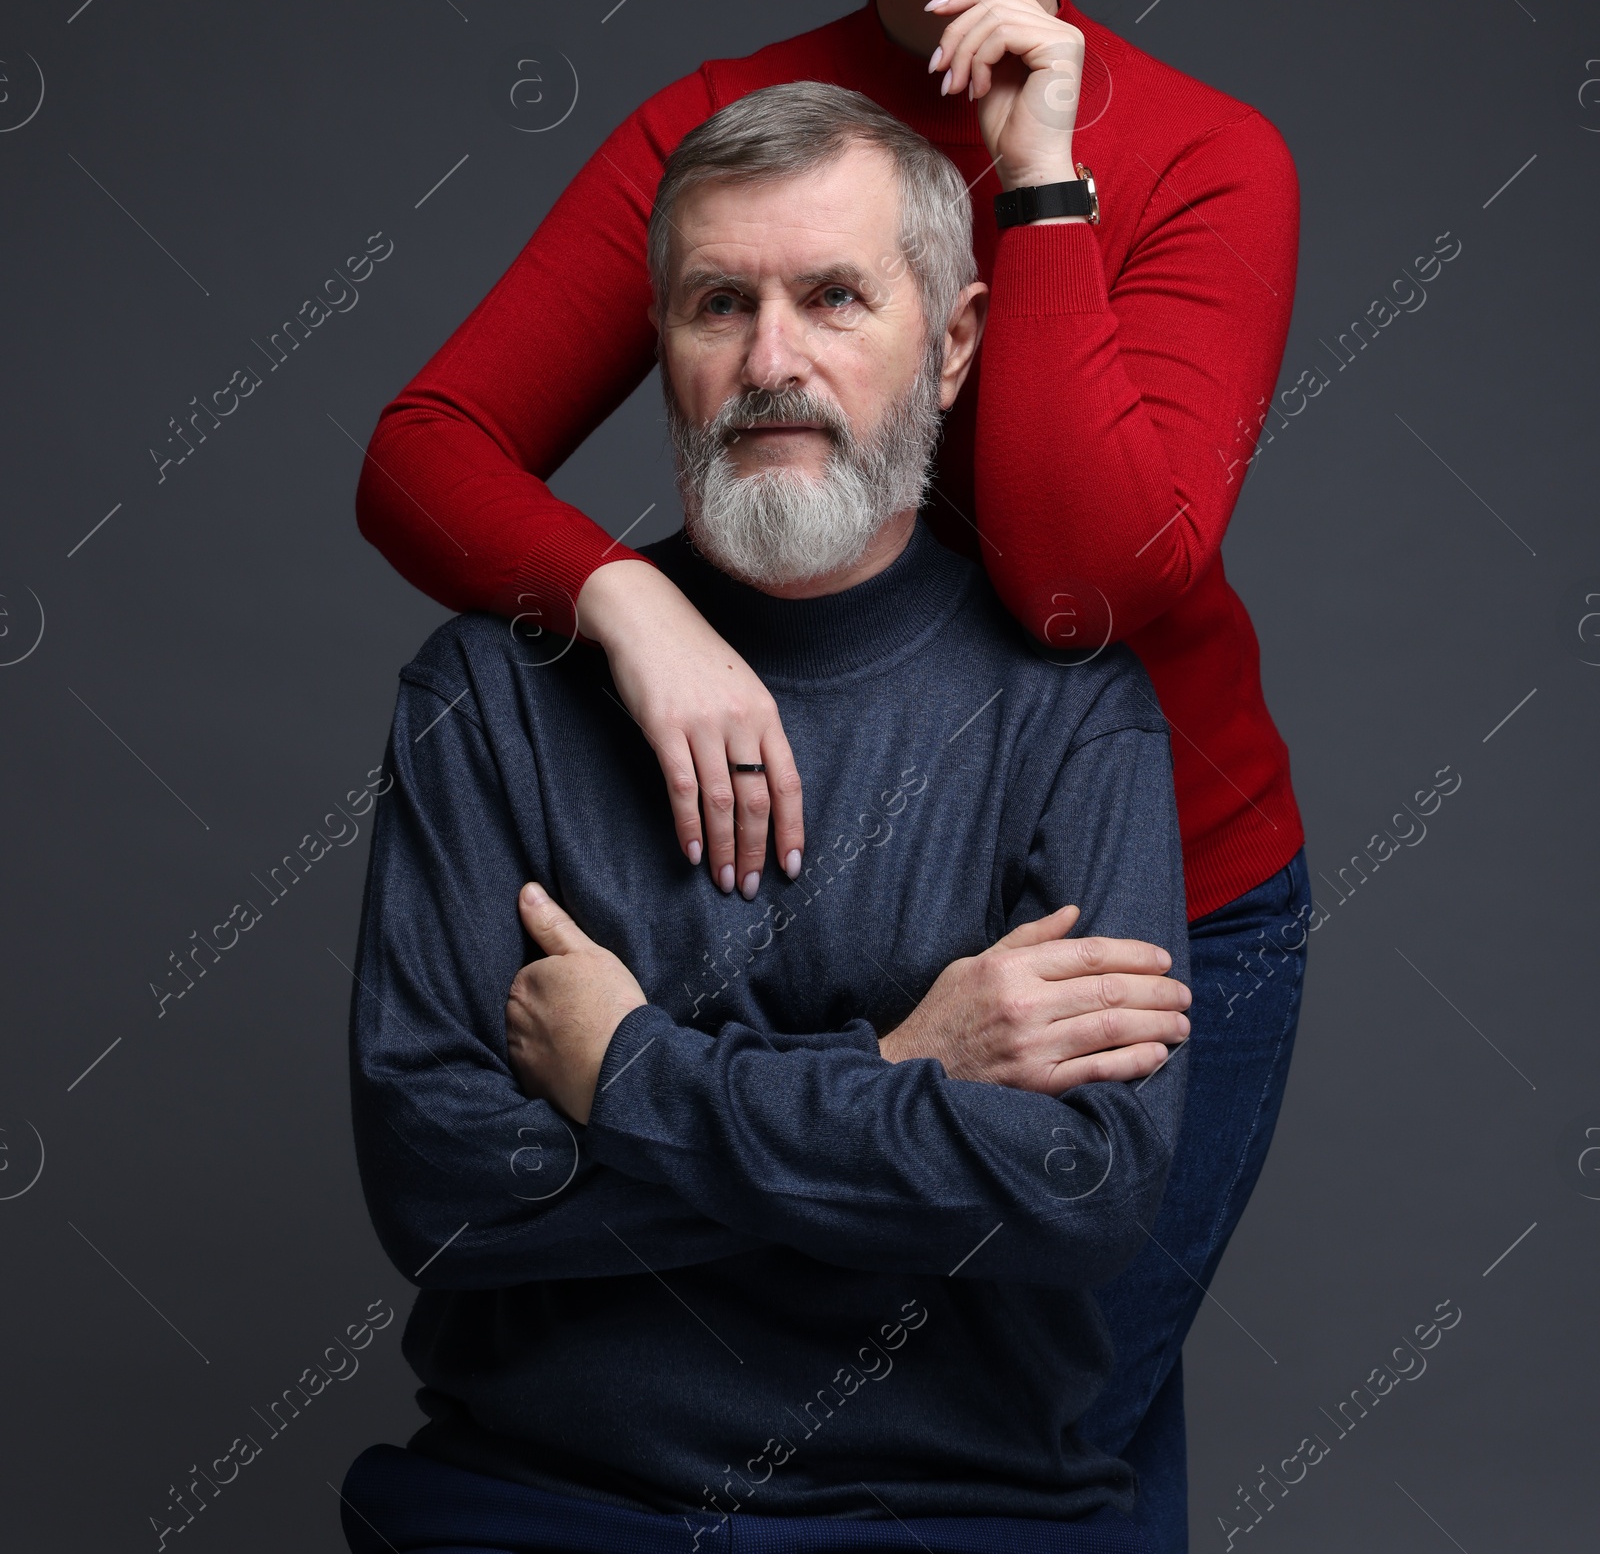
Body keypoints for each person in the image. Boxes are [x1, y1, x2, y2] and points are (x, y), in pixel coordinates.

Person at [356, 0, 1310, 1543]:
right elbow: (421, 455)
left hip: (1123, 882)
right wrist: (623, 607)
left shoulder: (1208, 160)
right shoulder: (714, 138)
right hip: (772, 842)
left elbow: (1071, 588)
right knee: (780, 1375)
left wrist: (1037, 175)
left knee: (1037, 1444)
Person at [341, 86, 1193, 1554]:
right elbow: (446, 1198)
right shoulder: (490, 698)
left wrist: (629, 1079)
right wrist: (906, 1069)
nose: (770, 361)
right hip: (541, 1507)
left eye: (836, 297)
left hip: (952, 1518)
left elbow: (1080, 1192)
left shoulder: (1071, 714)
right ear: (662, 348)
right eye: (717, 303)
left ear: (956, 347)